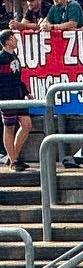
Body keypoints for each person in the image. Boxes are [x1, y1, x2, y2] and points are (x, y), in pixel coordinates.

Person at [0, 30, 30, 172]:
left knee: (26, 124)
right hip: (7, 97)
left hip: (18, 96)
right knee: (9, 127)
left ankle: (14, 156)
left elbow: (17, 77)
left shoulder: (14, 56)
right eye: (13, 38)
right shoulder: (2, 58)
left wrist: (25, 92)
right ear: (7, 41)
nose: (16, 40)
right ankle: (13, 160)